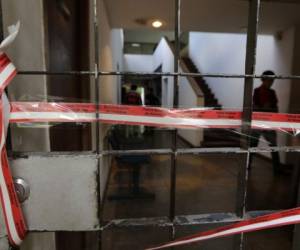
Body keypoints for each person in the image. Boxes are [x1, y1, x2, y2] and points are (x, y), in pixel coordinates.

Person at [250, 70, 282, 174]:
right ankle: (247, 166)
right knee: (253, 145)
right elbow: (254, 108)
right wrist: (265, 109)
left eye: (272, 80)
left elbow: (275, 110)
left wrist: (267, 109)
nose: (271, 82)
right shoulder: (257, 91)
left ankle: (277, 169)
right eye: (269, 80)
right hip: (258, 123)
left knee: (274, 147)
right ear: (263, 80)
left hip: (269, 123)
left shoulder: (272, 93)